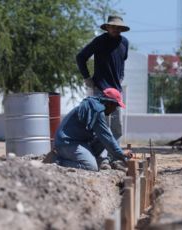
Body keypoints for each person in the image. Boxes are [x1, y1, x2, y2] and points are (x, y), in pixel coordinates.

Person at [76, 15, 130, 168]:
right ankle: (102, 160)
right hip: (101, 89)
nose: (115, 29)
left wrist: (120, 77)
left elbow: (121, 62)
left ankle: (116, 159)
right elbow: (81, 57)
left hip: (116, 92)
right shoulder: (99, 41)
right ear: (107, 27)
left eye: (118, 27)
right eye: (113, 26)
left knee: (117, 126)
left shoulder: (124, 42)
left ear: (121, 29)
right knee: (102, 126)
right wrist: (87, 78)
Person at [51, 88, 132, 171]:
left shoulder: (96, 105)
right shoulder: (97, 111)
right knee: (90, 167)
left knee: (106, 133)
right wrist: (121, 153)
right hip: (67, 143)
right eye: (116, 106)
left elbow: (106, 137)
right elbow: (107, 138)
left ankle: (93, 159)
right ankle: (57, 161)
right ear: (109, 104)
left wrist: (119, 155)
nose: (115, 110)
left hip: (78, 141)